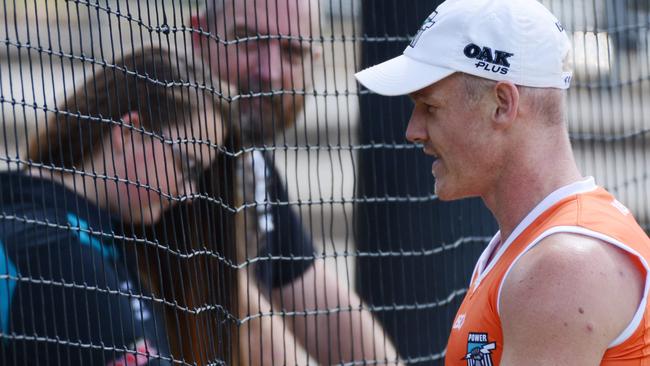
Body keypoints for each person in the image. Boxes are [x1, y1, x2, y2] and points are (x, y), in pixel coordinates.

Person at [354, 0, 650, 364]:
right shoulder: (530, 243)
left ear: (502, 104)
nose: (412, 131)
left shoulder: (562, 266)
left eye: (430, 107)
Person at [191, 0, 400, 364]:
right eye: (249, 40)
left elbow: (318, 303)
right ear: (199, 37)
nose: (269, 72)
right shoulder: (170, 157)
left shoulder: (249, 159)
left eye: (292, 52)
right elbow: (247, 320)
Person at [0, 46, 229, 365]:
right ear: (129, 132)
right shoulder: (51, 245)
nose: (189, 192)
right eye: (187, 166)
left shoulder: (95, 236)